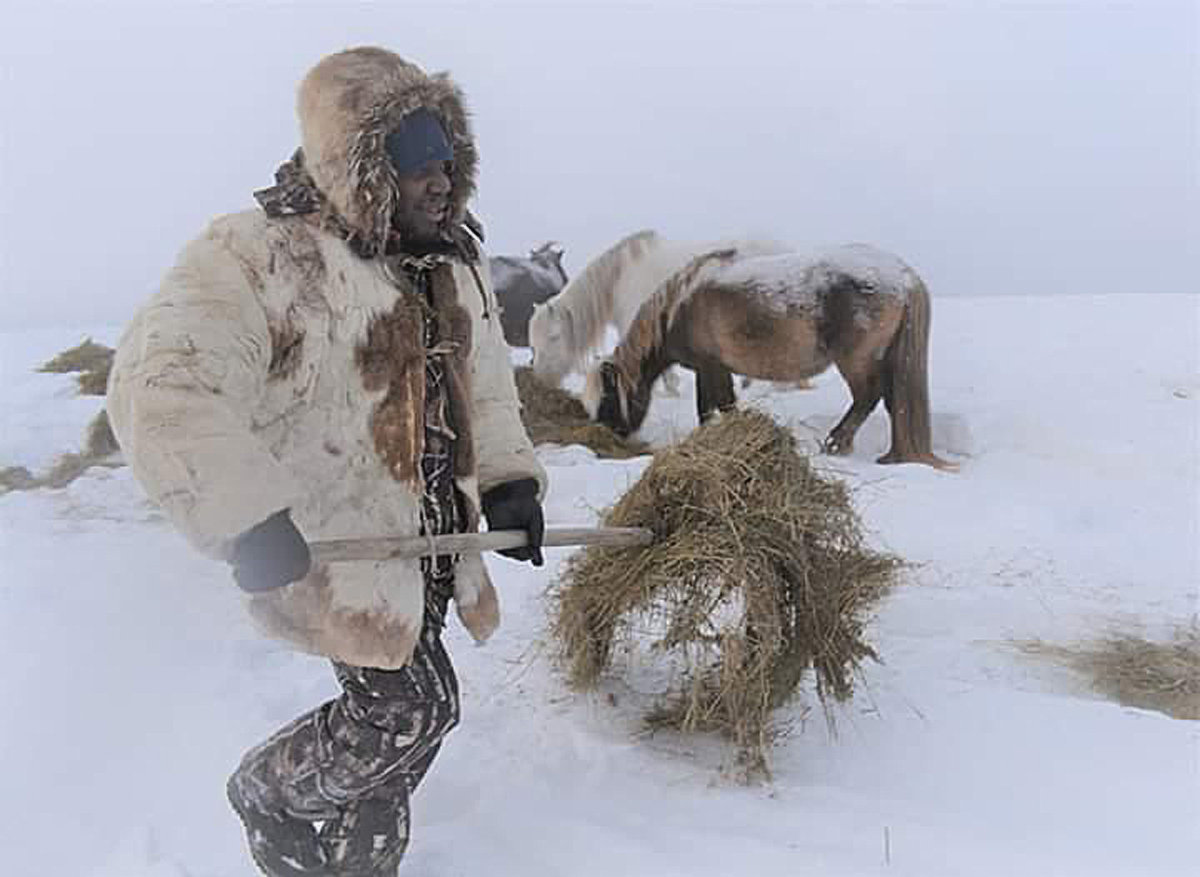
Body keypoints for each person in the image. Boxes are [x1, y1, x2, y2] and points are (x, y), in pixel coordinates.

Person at [106, 46, 547, 876]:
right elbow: (162, 385)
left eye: (447, 153)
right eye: (416, 155)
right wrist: (243, 513)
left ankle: (352, 863)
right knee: (412, 709)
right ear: (360, 161)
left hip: (434, 549)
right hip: (340, 547)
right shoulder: (263, 256)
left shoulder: (452, 260)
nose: (441, 177)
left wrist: (511, 482)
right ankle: (267, 791)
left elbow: (485, 381)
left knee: (402, 732)